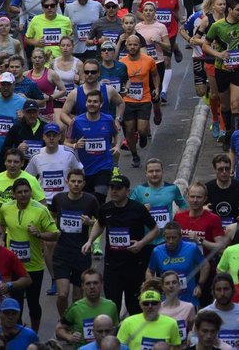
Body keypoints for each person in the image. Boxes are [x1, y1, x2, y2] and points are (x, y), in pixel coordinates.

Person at [84, 174, 159, 316]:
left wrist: (141, 244)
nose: (113, 191)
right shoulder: (105, 208)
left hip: (134, 265)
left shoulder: (137, 209)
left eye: (118, 188)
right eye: (111, 188)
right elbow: (100, 224)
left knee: (134, 306)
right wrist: (90, 241)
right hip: (112, 266)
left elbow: (155, 229)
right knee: (112, 306)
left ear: (127, 191)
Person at [0, 177, 59, 331]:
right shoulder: (5, 208)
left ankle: (34, 334)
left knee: (33, 303)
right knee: (16, 302)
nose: (23, 195)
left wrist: (40, 234)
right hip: (14, 266)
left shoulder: (40, 210)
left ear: (31, 192)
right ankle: (16, 333)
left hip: (34, 266)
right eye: (20, 192)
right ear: (14, 194)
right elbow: (0, 223)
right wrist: (2, 239)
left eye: (26, 191)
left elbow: (56, 234)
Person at [204, 0, 239, 145]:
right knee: (225, 105)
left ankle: (235, 136)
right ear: (230, 10)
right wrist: (218, 54)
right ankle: (227, 131)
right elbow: (205, 45)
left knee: (236, 104)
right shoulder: (217, 26)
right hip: (222, 69)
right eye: (238, 10)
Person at [49, 170, 100, 318]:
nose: (76, 184)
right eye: (73, 181)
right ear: (67, 182)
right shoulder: (59, 199)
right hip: (61, 253)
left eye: (79, 182)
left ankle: (75, 323)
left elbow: (101, 223)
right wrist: (52, 231)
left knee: (78, 297)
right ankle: (64, 320)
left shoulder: (91, 200)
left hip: (81, 253)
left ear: (84, 183)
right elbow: (51, 217)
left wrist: (90, 222)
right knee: (63, 295)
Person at [66, 90, 122, 201]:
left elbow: (117, 133)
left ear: (101, 104)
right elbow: (65, 142)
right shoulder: (76, 121)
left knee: (100, 196)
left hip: (104, 166)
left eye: (95, 102)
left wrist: (117, 146)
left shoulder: (108, 119)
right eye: (89, 101)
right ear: (86, 103)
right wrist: (74, 145)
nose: (92, 104)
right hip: (84, 168)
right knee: (88, 200)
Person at [119, 33, 160, 168]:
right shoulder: (122, 63)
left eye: (135, 44)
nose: (132, 47)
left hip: (144, 99)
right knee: (129, 130)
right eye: (130, 44)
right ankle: (135, 155)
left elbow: (155, 75)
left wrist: (157, 89)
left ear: (139, 46)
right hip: (128, 100)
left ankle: (143, 136)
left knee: (142, 129)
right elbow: (119, 80)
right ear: (126, 46)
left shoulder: (148, 60)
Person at [147, 222, 207, 306]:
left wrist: (200, 285)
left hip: (189, 300)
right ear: (164, 237)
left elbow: (205, 265)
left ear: (180, 237)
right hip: (166, 302)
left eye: (174, 238)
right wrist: (153, 288)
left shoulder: (191, 248)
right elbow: (149, 271)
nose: (171, 241)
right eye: (168, 238)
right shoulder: (157, 251)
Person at [55, 270, 119, 347]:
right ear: (82, 286)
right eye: (88, 284)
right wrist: (69, 337)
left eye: (95, 283)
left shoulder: (111, 306)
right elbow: (59, 329)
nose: (92, 287)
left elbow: (116, 330)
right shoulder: (75, 308)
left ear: (101, 284)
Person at [130, 159, 188, 245]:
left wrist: (176, 220)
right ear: (146, 173)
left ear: (162, 172)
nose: (154, 174)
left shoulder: (172, 188)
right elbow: (129, 209)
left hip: (167, 239)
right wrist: (141, 210)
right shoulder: (139, 190)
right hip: (146, 239)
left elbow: (183, 205)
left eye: (157, 171)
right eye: (151, 171)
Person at [199, 274, 239, 350]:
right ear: (213, 292)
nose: (222, 294)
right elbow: (193, 335)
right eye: (218, 290)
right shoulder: (204, 313)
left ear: (233, 290)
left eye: (226, 289)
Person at [117, 288, 182, 350]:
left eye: (154, 303)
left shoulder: (171, 323)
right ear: (141, 305)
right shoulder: (128, 322)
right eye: (146, 303)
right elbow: (119, 347)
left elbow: (177, 347)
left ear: (160, 304)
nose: (150, 306)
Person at [173, 181, 226, 256]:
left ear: (205, 199)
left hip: (204, 263)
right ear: (187, 198)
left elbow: (221, 248)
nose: (195, 200)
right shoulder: (178, 217)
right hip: (182, 263)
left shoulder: (214, 219)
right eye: (192, 196)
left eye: (199, 197)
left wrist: (200, 240)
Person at [205, 154, 239, 229]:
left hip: (237, 228)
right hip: (213, 229)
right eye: (220, 169)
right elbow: (194, 208)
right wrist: (201, 209)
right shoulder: (206, 188)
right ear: (214, 169)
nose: (224, 172)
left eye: (227, 168)